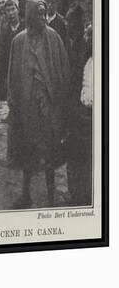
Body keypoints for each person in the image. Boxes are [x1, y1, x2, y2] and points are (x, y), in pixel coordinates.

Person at [7, 0, 70, 208]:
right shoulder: (19, 41)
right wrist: (13, 103)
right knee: (27, 151)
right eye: (39, 14)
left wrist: (59, 104)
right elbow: (12, 77)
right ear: (30, 16)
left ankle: (51, 198)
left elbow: (63, 72)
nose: (43, 18)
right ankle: (26, 195)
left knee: (49, 153)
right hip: (27, 108)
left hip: (48, 108)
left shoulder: (54, 38)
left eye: (45, 13)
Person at [67, 23, 93, 206]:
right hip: (80, 115)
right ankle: (77, 195)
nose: (88, 38)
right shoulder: (83, 57)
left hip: (95, 118)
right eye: (88, 35)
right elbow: (75, 84)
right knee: (77, 158)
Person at [0, 0, 23, 103]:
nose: (11, 13)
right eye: (8, 10)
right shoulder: (4, 30)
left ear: (18, 10)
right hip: (8, 71)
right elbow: (2, 53)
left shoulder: (25, 28)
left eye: (13, 9)